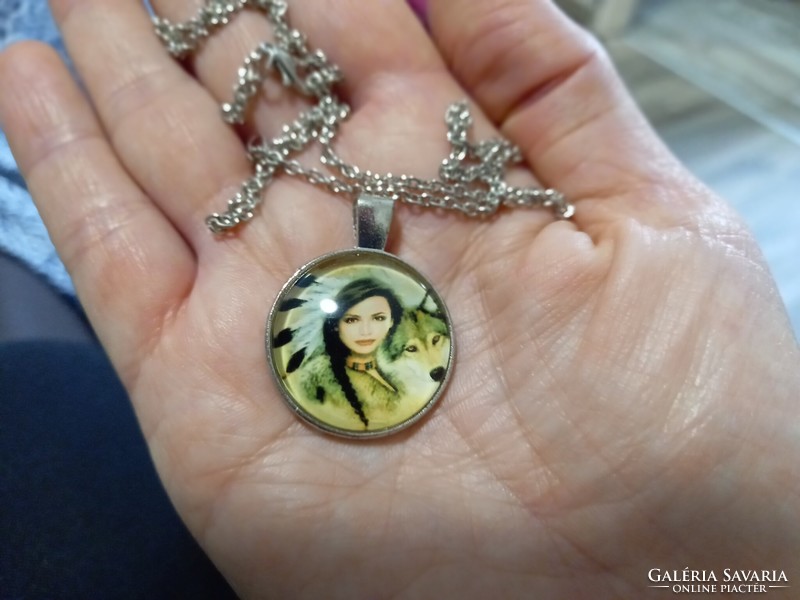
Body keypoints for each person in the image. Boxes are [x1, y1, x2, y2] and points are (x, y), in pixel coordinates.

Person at [0, 0, 798, 598]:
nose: (374, 324)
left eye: (383, 316)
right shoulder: (327, 370)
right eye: (366, 315)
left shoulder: (398, 368)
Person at [295, 277, 404, 429]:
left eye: (378, 318)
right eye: (352, 320)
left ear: (391, 322)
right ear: (336, 325)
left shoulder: (401, 371)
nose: (366, 331)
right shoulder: (317, 377)